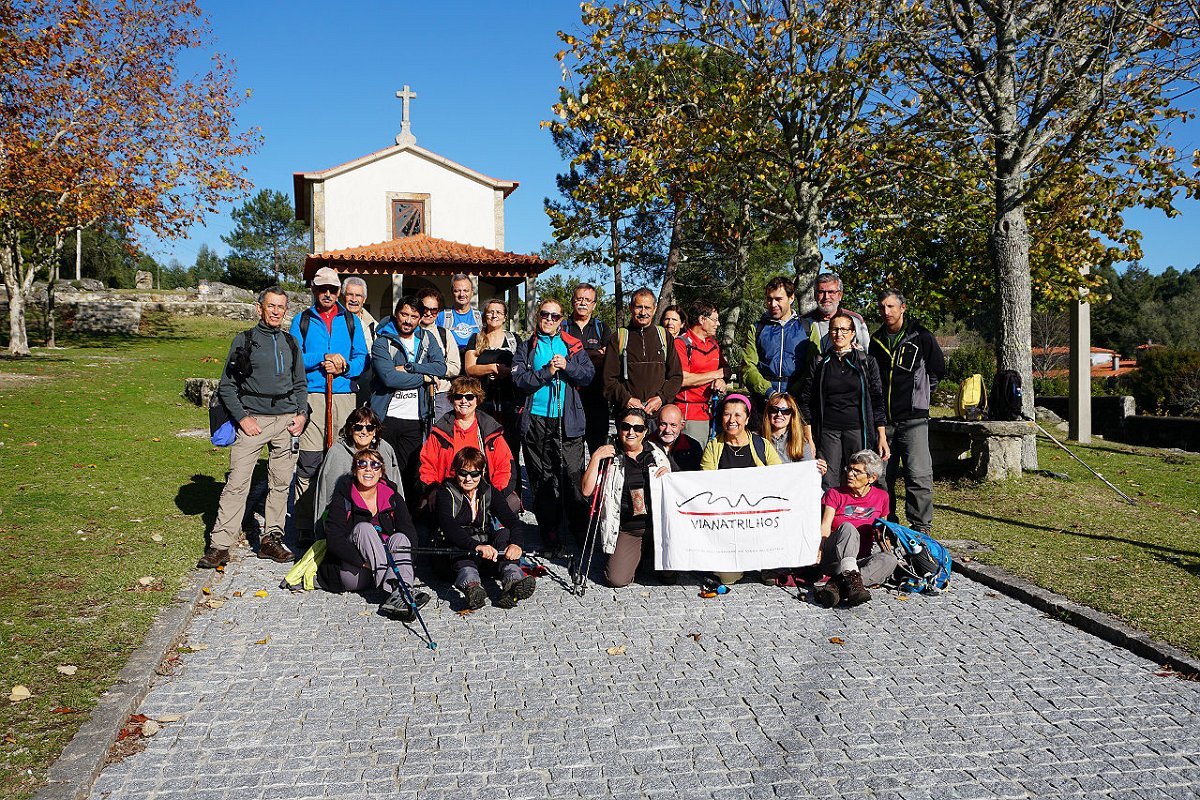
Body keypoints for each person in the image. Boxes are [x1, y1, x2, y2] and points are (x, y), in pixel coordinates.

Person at [199, 287, 306, 568]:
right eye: (270, 306)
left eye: (280, 307)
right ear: (259, 308)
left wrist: (302, 414)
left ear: (285, 311)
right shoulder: (244, 340)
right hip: (252, 422)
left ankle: (271, 540)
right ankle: (220, 545)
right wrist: (243, 418)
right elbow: (227, 385)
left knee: (280, 484)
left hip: (286, 422)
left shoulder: (291, 343)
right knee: (236, 484)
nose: (275, 311)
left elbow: (300, 385)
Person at [289, 267, 368, 545]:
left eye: (333, 289)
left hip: (344, 395)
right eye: (322, 288)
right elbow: (294, 357)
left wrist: (344, 365)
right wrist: (323, 358)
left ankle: (343, 517)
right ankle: (304, 523)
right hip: (313, 394)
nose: (328, 294)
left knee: (345, 456)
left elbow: (362, 358)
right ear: (313, 289)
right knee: (310, 460)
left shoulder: (351, 321)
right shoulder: (302, 321)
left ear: (338, 291)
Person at [512, 297, 595, 555]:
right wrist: (546, 372)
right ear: (538, 316)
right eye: (545, 315)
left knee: (571, 475)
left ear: (562, 320)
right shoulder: (526, 347)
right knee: (541, 478)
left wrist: (567, 366)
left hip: (566, 419)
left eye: (555, 316)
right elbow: (519, 381)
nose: (549, 319)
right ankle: (549, 530)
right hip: (536, 419)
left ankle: (579, 528)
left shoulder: (572, 345)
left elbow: (588, 375)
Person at [317, 448, 429, 621]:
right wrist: (364, 563)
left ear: (381, 472)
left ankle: (400, 591)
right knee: (364, 528)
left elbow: (410, 533)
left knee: (400, 538)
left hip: (386, 564)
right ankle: (397, 591)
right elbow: (334, 540)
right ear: (355, 470)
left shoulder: (392, 496)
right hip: (355, 569)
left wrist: (403, 561)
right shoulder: (343, 496)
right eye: (362, 464)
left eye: (375, 465)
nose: (368, 469)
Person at [868, 289, 946, 534]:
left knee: (918, 475)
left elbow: (937, 370)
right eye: (882, 307)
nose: (886, 312)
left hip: (914, 419)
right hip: (884, 422)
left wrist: (921, 397)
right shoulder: (876, 339)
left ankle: (921, 528)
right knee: (882, 476)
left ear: (903, 307)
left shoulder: (920, 336)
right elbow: (873, 379)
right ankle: (887, 523)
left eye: (891, 306)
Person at [798, 310, 890, 490]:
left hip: (857, 429)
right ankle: (829, 517)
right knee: (828, 479)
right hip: (828, 430)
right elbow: (806, 400)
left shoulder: (866, 362)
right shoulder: (819, 362)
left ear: (853, 333)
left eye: (844, 330)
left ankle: (858, 517)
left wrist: (882, 436)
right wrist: (810, 438)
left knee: (858, 476)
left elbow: (877, 399)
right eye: (834, 330)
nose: (839, 334)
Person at [582, 408, 673, 588]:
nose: (631, 432)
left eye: (638, 428)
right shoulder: (609, 455)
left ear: (645, 431)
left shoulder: (656, 453)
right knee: (616, 579)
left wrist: (668, 475)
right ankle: (635, 557)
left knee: (669, 577)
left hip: (656, 526)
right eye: (626, 427)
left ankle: (645, 557)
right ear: (619, 428)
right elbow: (586, 490)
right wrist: (595, 457)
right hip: (628, 528)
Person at [436, 448, 535, 610]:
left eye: (474, 474)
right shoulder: (445, 492)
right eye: (463, 473)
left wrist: (517, 544)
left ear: (482, 472)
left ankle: (513, 580)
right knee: (460, 544)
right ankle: (472, 586)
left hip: (483, 551)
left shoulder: (488, 490)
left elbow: (513, 521)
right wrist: (476, 546)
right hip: (454, 553)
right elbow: (449, 526)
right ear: (455, 472)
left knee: (504, 533)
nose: (468, 479)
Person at [700, 393, 783, 586]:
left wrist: (811, 470)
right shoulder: (713, 446)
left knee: (769, 572)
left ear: (747, 418)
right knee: (727, 579)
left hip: (758, 519)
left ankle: (763, 561)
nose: (732, 420)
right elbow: (705, 482)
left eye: (738, 415)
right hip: (728, 522)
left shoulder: (761, 444)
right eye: (727, 415)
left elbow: (781, 476)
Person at [370, 295, 447, 503]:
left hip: (415, 417)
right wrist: (423, 377)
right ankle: (383, 516)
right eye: (404, 314)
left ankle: (408, 521)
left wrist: (410, 368)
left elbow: (441, 367)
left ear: (420, 318)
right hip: (386, 417)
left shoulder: (427, 339)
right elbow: (388, 378)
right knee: (382, 471)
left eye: (414, 316)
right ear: (396, 314)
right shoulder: (382, 342)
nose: (408, 320)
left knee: (410, 471)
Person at [813, 449, 896, 608]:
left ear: (871, 478)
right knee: (848, 528)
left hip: (859, 560)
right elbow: (825, 525)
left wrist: (888, 553)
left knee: (889, 559)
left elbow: (882, 533)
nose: (850, 474)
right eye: (849, 469)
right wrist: (819, 551)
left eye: (857, 471)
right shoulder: (835, 494)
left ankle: (837, 586)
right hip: (834, 558)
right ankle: (850, 582)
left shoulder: (882, 497)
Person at [418, 375, 515, 498]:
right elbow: (427, 465)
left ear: (477, 400)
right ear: (452, 399)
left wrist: (494, 496)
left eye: (469, 397)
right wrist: (432, 491)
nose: (464, 401)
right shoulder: (440, 431)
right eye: (459, 397)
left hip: (483, 491)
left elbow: (504, 466)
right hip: (448, 492)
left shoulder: (490, 430)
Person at [313, 407, 401, 538]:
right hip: (347, 521)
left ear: (376, 431)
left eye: (370, 428)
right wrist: (321, 535)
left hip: (382, 518)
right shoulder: (337, 453)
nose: (364, 432)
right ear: (350, 429)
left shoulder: (385, 449)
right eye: (358, 427)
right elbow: (325, 496)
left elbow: (396, 488)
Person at [602, 287, 683, 424]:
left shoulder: (664, 337)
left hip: (658, 417)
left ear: (655, 309)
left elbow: (676, 376)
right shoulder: (619, 338)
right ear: (630, 308)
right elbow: (608, 380)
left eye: (648, 307)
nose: (643, 312)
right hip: (628, 416)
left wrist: (661, 398)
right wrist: (627, 400)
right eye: (639, 307)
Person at [464, 298, 521, 461]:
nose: (494, 315)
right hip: (483, 401)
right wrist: (493, 367)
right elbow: (469, 369)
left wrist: (507, 372)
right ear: (484, 316)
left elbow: (522, 368)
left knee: (511, 448)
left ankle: (511, 485)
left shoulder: (513, 339)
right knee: (483, 446)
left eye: (498, 312)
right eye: (490, 312)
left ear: (504, 317)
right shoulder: (476, 338)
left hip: (509, 402)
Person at [741, 276, 807, 409]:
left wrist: (792, 393)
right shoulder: (757, 328)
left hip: (797, 402)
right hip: (763, 401)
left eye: (778, 299)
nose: (773, 304)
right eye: (769, 299)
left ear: (791, 298)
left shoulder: (807, 328)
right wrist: (769, 392)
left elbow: (811, 367)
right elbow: (748, 366)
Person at [561, 282, 610, 453]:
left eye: (588, 300)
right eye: (579, 299)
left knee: (599, 450)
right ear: (572, 301)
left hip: (596, 398)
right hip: (570, 398)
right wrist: (594, 353)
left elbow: (607, 357)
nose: (583, 303)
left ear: (594, 304)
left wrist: (574, 356)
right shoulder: (562, 327)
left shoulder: (602, 328)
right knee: (571, 452)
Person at [673, 299, 727, 445]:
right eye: (715, 320)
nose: (718, 324)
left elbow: (725, 370)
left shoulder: (713, 344)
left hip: (713, 413)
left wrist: (721, 380)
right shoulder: (681, 343)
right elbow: (683, 379)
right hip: (689, 415)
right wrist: (716, 375)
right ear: (702, 319)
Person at [797, 272, 870, 360]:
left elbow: (867, 353)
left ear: (840, 295)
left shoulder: (855, 320)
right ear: (815, 295)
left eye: (831, 292)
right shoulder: (803, 322)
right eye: (821, 292)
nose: (826, 297)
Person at [416, 287, 461, 420]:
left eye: (434, 310)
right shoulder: (409, 333)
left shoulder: (444, 334)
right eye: (425, 309)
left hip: (441, 394)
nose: (429, 313)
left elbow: (455, 366)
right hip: (414, 392)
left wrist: (433, 371)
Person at [761, 391, 824, 468]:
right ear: (768, 413)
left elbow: (807, 471)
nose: (779, 414)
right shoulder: (756, 439)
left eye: (785, 411)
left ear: (792, 415)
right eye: (774, 409)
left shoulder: (802, 443)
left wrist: (817, 470)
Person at [342, 276, 378, 407]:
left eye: (358, 295)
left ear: (364, 299)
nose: (353, 299)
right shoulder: (336, 322)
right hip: (343, 382)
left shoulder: (373, 326)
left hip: (366, 384)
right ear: (343, 296)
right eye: (350, 294)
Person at [435, 273, 482, 359]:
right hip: (450, 363)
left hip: (476, 365)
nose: (462, 294)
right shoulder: (441, 317)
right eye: (457, 291)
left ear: (472, 292)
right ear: (452, 292)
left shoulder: (481, 317)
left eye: (466, 290)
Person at [655, 404, 703, 472]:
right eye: (663, 424)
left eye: (673, 425)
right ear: (657, 423)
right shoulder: (647, 444)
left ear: (682, 425)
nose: (667, 430)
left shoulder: (693, 447)